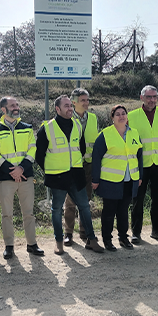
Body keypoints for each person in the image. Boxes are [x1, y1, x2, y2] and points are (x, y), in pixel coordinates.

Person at [35, 95, 105, 255]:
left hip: (76, 175)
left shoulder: (77, 126)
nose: (70, 109)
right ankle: (59, 241)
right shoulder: (47, 128)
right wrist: (50, 169)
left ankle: (91, 240)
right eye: (66, 106)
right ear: (57, 109)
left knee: (85, 207)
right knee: (57, 209)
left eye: (70, 106)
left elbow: (79, 148)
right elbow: (39, 155)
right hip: (57, 177)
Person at [0, 96, 44, 259]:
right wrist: (12, 171)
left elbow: (32, 149)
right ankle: (9, 246)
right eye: (12, 105)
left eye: (17, 105)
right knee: (7, 214)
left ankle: (32, 244)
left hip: (25, 175)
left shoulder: (27, 128)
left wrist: (21, 169)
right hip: (5, 178)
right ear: (3, 109)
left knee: (29, 213)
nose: (16, 107)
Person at [91, 105, 143, 251]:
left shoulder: (134, 133)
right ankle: (107, 240)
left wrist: (139, 176)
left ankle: (123, 237)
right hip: (110, 181)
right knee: (109, 212)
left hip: (129, 179)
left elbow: (139, 157)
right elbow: (96, 158)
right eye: (117, 114)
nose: (121, 116)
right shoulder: (105, 134)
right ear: (112, 118)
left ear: (127, 116)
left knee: (123, 211)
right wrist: (95, 179)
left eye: (123, 114)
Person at [128, 85, 158, 244]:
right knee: (137, 199)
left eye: (154, 97)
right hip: (140, 165)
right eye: (148, 97)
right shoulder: (132, 116)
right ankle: (136, 233)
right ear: (142, 98)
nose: (152, 100)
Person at [62, 88, 99, 246]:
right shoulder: (66, 119)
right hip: (73, 165)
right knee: (70, 201)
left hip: (89, 165)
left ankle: (84, 231)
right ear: (73, 102)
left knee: (86, 200)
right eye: (82, 100)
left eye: (87, 100)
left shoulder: (93, 118)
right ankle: (68, 233)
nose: (86, 103)